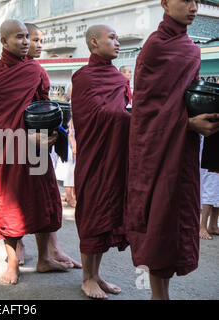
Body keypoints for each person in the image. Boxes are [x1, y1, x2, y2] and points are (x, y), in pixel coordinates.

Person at [127, 0, 219, 300]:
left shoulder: (191, 48)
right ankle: (158, 295)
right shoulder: (155, 47)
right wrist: (188, 124)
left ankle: (162, 293)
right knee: (159, 218)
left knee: (175, 218)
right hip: (157, 148)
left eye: (196, 1)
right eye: (185, 0)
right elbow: (146, 110)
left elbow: (184, 98)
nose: (193, 7)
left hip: (182, 150)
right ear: (165, 3)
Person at [0, 19, 73, 285]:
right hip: (7, 150)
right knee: (10, 205)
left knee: (43, 200)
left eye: (26, 37)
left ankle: (45, 258)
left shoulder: (35, 71)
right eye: (18, 37)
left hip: (36, 148)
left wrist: (50, 133)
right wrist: (24, 137)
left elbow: (43, 107)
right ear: (3, 41)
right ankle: (13, 262)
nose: (25, 42)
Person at [71, 25, 130, 299]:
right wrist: (129, 117)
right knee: (93, 214)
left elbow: (120, 110)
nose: (117, 42)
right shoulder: (83, 78)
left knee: (109, 215)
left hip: (116, 159)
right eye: (112, 38)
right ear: (94, 43)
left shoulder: (119, 79)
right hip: (93, 158)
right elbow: (93, 116)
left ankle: (96, 275)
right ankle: (86, 278)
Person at [24, 22, 82, 268]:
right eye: (33, 40)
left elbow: (44, 105)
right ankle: (18, 247)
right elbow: (1, 114)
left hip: (40, 144)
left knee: (46, 196)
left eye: (40, 40)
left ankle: (53, 249)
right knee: (17, 198)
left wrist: (55, 128)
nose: (38, 45)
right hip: (13, 145)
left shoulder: (38, 71)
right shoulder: (2, 72)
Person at [199, 137, 219, 240]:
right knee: (211, 184)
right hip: (211, 145)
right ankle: (202, 226)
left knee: (217, 187)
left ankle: (213, 225)